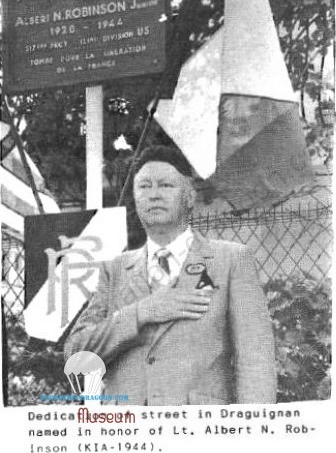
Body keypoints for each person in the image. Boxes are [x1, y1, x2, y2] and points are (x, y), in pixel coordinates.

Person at [64, 145, 277, 405]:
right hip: (128, 437)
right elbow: (76, 353)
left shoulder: (231, 260)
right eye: (144, 186)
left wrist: (252, 433)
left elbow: (256, 360)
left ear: (189, 197)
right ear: (134, 197)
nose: (153, 195)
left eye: (165, 185)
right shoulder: (114, 270)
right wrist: (141, 312)